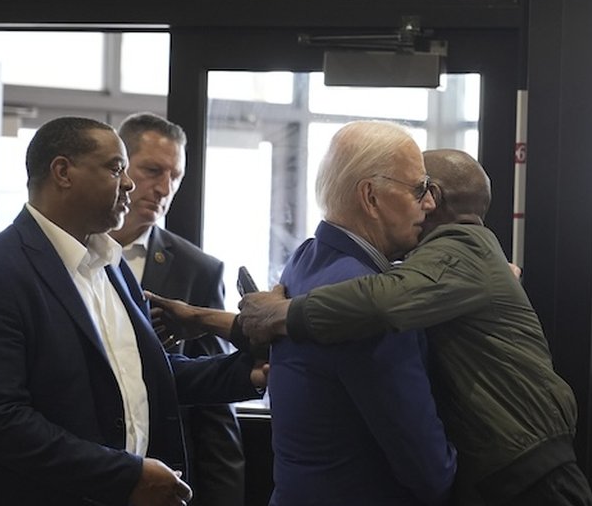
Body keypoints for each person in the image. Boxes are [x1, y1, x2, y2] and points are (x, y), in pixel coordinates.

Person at [153, 149, 592, 505]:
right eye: (414, 188)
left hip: (530, 476)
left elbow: (376, 304)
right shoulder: (385, 271)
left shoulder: (456, 249)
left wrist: (274, 313)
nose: (421, 202)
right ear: (371, 196)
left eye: (423, 188)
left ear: (435, 196)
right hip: (507, 470)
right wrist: (212, 319)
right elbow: (319, 337)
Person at [0, 116, 264, 506]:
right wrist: (126, 476)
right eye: (116, 169)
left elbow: (145, 374)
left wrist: (247, 372)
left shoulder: (110, 265)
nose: (128, 183)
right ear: (63, 172)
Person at [165, 121, 457, 505]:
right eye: (419, 188)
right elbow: (427, 469)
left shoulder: (305, 258)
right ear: (370, 197)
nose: (430, 204)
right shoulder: (369, 302)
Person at [109, 112, 247, 506]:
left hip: (166, 473)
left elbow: (214, 407)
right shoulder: (72, 253)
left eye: (176, 176)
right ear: (120, 168)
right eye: (152, 170)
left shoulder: (198, 269)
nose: (164, 188)